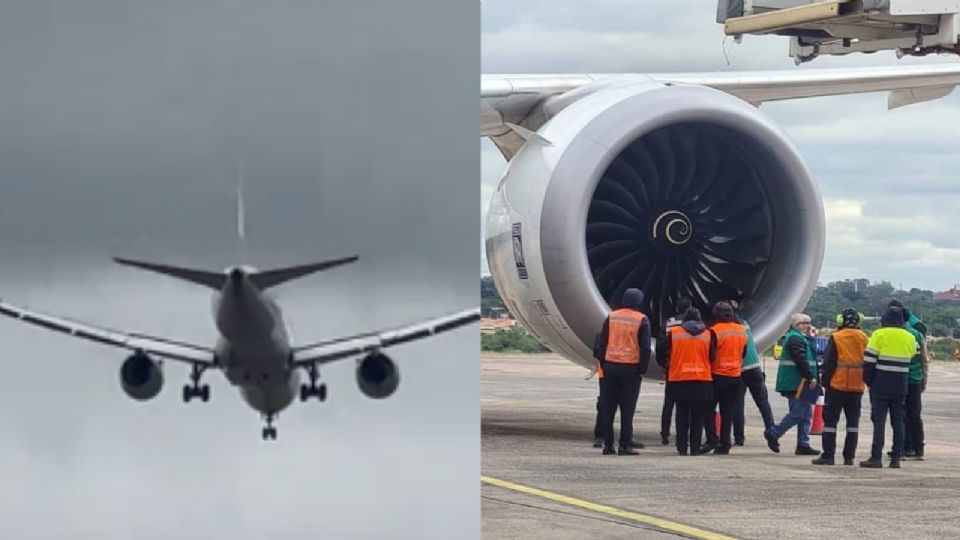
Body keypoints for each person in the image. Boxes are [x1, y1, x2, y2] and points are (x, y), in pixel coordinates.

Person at [594, 288, 651, 455]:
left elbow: (602, 342)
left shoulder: (611, 316)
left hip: (611, 366)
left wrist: (604, 363)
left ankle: (608, 445)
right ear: (638, 302)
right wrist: (642, 369)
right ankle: (625, 445)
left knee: (608, 408)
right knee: (627, 409)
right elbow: (646, 348)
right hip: (631, 369)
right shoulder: (642, 319)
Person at [860, 306, 917, 469]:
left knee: (879, 421)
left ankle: (876, 457)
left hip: (881, 383)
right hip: (901, 383)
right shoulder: (909, 336)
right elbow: (913, 356)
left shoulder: (879, 334)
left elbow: (869, 361)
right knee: (898, 421)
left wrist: (869, 382)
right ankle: (896, 458)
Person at [812, 309, 868, 466]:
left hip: (837, 386)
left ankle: (828, 456)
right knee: (853, 425)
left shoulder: (837, 337)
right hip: (857, 388)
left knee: (830, 423)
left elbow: (829, 362)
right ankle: (849, 457)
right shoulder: (865, 338)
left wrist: (825, 382)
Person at [657, 307, 716, 456]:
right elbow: (713, 356)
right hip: (701, 380)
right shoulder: (708, 335)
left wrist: (665, 364)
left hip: (680, 379)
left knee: (681, 415)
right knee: (698, 416)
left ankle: (681, 447)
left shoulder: (675, 333)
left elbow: (660, 348)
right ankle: (695, 448)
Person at [764, 313, 819, 455]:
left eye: (808, 322)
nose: (808, 325)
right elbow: (801, 360)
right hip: (796, 382)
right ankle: (774, 432)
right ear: (796, 325)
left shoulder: (801, 338)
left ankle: (803, 444)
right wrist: (809, 376)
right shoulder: (795, 338)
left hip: (801, 382)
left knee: (806, 414)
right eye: (805, 322)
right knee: (798, 413)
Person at [701, 301, 747, 454]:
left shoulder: (714, 331)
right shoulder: (742, 330)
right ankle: (725, 443)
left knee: (708, 410)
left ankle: (712, 440)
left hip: (717, 375)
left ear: (716, 314)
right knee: (727, 412)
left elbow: (710, 354)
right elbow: (744, 353)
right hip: (735, 375)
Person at [886, 300, 928, 461]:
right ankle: (918, 449)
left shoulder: (896, 333)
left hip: (899, 378)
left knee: (900, 415)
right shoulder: (917, 332)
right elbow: (924, 359)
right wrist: (924, 379)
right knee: (915, 415)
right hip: (915, 379)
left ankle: (902, 448)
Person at [732, 302, 776, 447]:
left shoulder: (729, 329)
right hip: (754, 368)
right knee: (763, 403)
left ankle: (739, 438)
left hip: (739, 370)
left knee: (738, 404)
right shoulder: (745, 324)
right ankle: (771, 431)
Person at [660, 296, 691, 445]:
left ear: (677, 308)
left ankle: (665, 433)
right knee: (687, 404)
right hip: (692, 369)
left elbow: (661, 345)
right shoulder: (696, 326)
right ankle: (685, 433)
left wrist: (663, 363)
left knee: (669, 403)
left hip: (673, 368)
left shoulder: (669, 323)